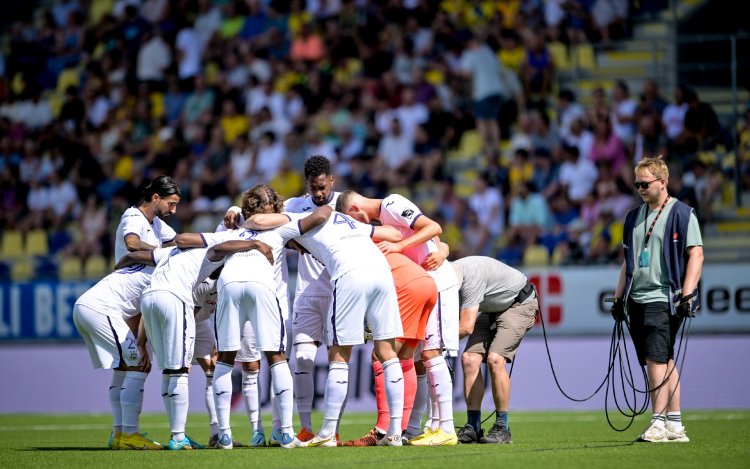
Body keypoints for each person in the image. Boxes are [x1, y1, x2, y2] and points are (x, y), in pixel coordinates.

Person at [245, 205, 407, 447]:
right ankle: (395, 432)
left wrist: (239, 215)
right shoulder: (348, 221)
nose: (295, 247)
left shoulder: (300, 218)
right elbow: (394, 234)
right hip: (382, 273)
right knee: (388, 353)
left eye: (292, 244)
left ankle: (328, 433)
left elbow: (257, 219)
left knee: (339, 356)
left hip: (350, 274)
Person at [119, 233, 270, 450]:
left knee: (178, 370)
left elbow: (131, 257)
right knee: (180, 370)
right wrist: (255, 243)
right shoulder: (205, 258)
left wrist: (118, 267)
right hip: (179, 304)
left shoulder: (169, 253)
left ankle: (215, 434)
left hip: (151, 299)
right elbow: (217, 250)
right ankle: (179, 438)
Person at [336, 190, 459, 446]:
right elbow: (437, 238)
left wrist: (400, 246)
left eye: (352, 220)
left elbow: (433, 226)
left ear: (355, 209)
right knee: (412, 360)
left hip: (435, 281)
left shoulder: (392, 204)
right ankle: (410, 429)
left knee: (430, 354)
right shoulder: (385, 219)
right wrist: (442, 249)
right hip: (422, 282)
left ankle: (445, 428)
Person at [611, 157, 703, 443]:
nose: (640, 188)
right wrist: (617, 299)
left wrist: (687, 294)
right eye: (636, 183)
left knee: (655, 360)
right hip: (636, 300)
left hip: (662, 297)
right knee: (665, 359)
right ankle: (675, 425)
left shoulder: (683, 213)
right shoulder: (632, 217)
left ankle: (658, 422)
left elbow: (696, 254)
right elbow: (629, 261)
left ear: (663, 182)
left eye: (645, 183)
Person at [72, 248, 173, 450]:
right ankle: (129, 435)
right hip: (101, 309)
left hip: (85, 306)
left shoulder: (143, 268)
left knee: (124, 367)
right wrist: (141, 344)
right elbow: (148, 308)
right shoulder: (165, 272)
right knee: (138, 365)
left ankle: (119, 433)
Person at [345, 251, 438, 446]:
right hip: (428, 284)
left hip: (407, 286)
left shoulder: (357, 247)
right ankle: (400, 430)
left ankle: (382, 430)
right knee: (405, 359)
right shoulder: (380, 243)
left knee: (381, 355)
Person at [451, 256, 539, 444]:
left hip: (519, 303)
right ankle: (473, 427)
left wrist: (434, 342)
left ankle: (502, 428)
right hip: (493, 307)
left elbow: (466, 327)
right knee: (469, 359)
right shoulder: (449, 277)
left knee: (495, 359)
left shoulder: (470, 280)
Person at [114, 175, 181, 263]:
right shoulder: (133, 216)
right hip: (128, 275)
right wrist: (161, 253)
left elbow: (179, 242)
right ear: (155, 198)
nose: (173, 211)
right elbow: (132, 243)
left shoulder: (157, 223)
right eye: (171, 204)